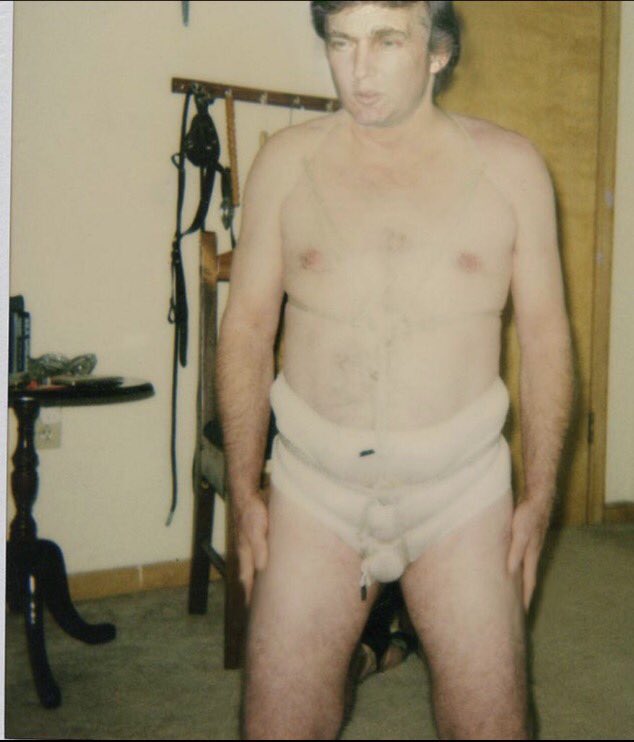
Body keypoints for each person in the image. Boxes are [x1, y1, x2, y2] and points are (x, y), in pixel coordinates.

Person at [217, 1, 574, 738]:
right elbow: (247, 328)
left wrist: (539, 500)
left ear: (438, 50)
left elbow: (546, 341)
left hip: (460, 489)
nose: (359, 69)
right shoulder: (286, 163)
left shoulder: (512, 169)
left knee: (493, 724)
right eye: (341, 42)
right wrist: (245, 492)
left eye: (385, 41)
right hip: (314, 486)